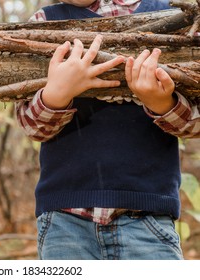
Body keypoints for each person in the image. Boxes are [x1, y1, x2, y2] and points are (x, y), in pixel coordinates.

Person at [16, 0, 200, 260]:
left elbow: (195, 124)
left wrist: (160, 103)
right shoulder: (44, 22)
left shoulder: (174, 17)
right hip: (64, 221)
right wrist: (57, 94)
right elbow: (32, 127)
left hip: (147, 218)